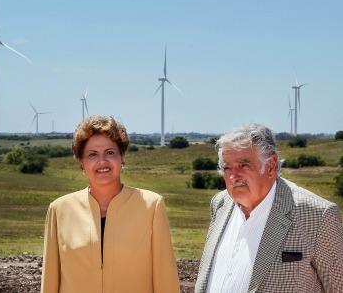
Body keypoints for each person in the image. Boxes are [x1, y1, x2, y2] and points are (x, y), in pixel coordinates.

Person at [195, 124, 343, 293]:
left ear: (271, 165)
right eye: (227, 167)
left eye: (244, 165)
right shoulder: (220, 204)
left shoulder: (317, 215)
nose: (233, 176)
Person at [41, 115, 180, 293]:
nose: (102, 162)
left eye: (110, 153)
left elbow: (166, 280)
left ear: (122, 157)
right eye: (92, 155)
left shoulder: (152, 206)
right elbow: (50, 283)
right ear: (81, 162)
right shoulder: (59, 210)